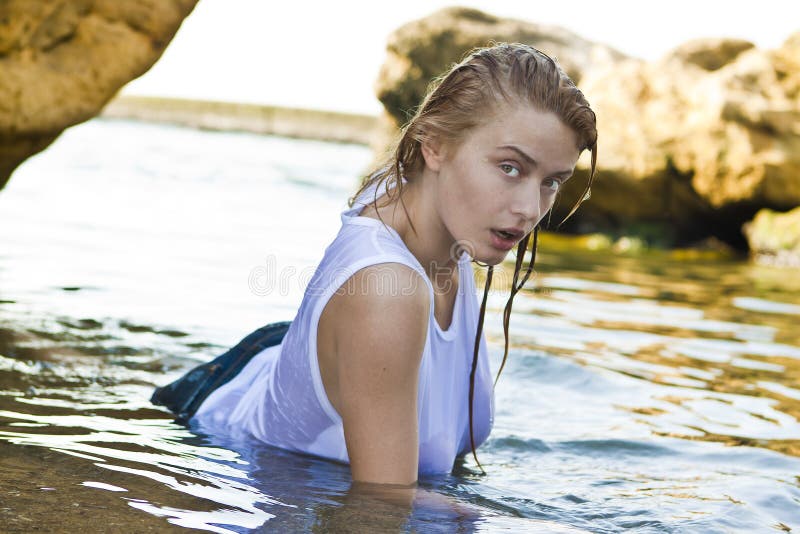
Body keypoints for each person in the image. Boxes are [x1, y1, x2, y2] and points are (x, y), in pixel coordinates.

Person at [152, 42, 597, 498]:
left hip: (300, 355)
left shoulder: (452, 219)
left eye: (551, 182)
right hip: (221, 436)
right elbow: (381, 508)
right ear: (435, 145)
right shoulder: (389, 292)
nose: (528, 209)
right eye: (509, 167)